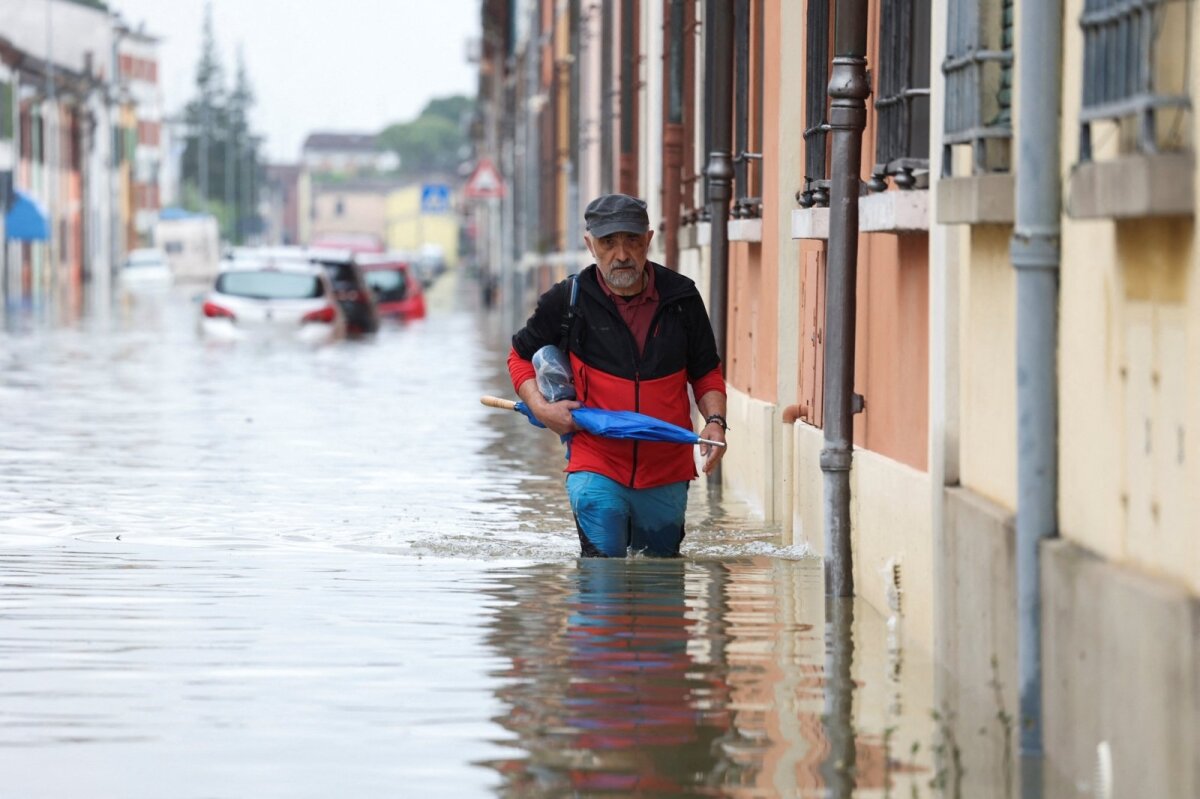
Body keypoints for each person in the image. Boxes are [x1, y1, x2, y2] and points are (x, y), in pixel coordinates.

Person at [507, 193, 728, 557]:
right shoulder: (567, 300)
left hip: (667, 469)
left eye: (632, 241)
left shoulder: (682, 297)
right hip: (595, 464)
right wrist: (543, 410)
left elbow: (705, 371)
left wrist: (715, 421)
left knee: (662, 582)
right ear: (590, 245)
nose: (622, 254)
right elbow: (518, 357)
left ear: (649, 241)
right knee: (602, 580)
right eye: (609, 242)